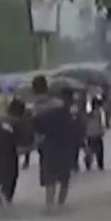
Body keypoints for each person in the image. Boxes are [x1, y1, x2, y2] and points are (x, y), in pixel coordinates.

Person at [30, 75, 75, 210]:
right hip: (64, 146)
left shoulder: (35, 108)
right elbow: (70, 125)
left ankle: (50, 209)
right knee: (64, 180)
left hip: (47, 148)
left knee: (50, 182)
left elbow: (37, 133)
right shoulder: (60, 104)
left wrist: (32, 146)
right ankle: (61, 207)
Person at [0, 98, 24, 205]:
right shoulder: (18, 123)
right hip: (10, 159)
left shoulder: (1, 121)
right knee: (7, 192)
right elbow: (20, 145)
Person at [63, 88, 85, 172]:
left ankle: (73, 163)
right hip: (71, 128)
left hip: (72, 128)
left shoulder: (72, 104)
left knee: (73, 147)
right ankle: (73, 163)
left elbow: (78, 115)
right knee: (73, 147)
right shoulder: (72, 104)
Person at [83, 95, 106, 171]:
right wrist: (102, 131)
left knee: (90, 150)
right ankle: (100, 164)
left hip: (90, 133)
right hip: (97, 133)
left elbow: (85, 123)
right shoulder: (100, 113)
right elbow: (102, 123)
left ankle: (88, 163)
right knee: (99, 150)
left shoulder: (89, 114)